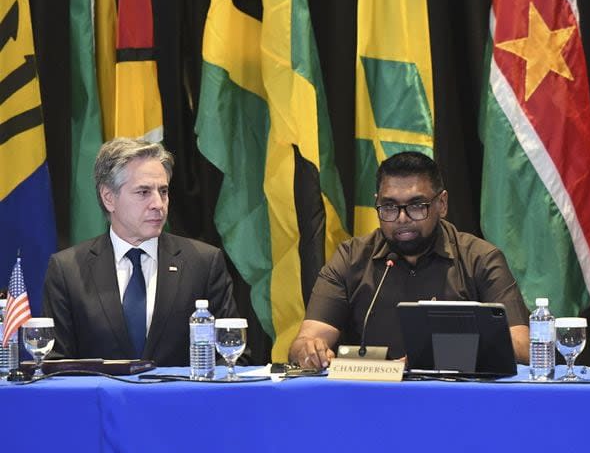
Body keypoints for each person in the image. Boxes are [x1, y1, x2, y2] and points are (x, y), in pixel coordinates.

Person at [289, 151, 530, 369]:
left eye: (417, 206)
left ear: (442, 204)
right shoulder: (350, 258)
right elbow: (305, 341)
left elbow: (522, 346)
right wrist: (309, 350)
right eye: (389, 207)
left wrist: (435, 354)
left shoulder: (480, 259)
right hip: (372, 400)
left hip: (455, 401)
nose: (402, 218)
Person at [42, 139, 240, 366]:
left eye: (163, 191)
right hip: (103, 401)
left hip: (180, 401)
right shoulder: (68, 269)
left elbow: (232, 355)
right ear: (109, 198)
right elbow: (55, 365)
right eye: (143, 192)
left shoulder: (203, 263)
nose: (158, 203)